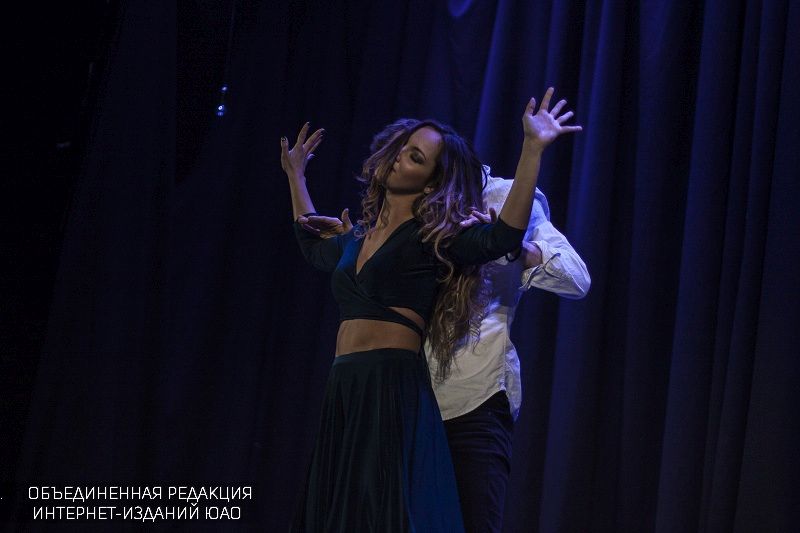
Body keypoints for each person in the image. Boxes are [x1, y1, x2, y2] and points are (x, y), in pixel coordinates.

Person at [282, 88, 580, 532]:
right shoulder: (358, 237)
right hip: (345, 385)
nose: (400, 158)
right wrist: (296, 177)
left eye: (416, 157)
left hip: (402, 384)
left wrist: (531, 150)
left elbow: (503, 238)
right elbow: (312, 246)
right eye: (403, 148)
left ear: (431, 183)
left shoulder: (434, 235)